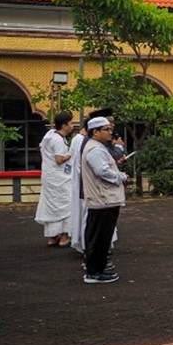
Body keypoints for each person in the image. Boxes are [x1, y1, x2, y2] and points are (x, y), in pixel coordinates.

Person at [80, 116, 128, 283]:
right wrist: (121, 177)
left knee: (98, 235)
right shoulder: (95, 149)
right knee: (100, 237)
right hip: (103, 199)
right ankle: (95, 272)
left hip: (101, 199)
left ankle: (96, 268)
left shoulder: (95, 147)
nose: (110, 132)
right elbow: (102, 171)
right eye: (106, 130)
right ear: (95, 132)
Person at [35, 112, 75, 247]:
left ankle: (53, 236)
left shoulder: (50, 135)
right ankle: (64, 235)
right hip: (60, 178)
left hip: (50, 177)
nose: (72, 126)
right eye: (70, 123)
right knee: (66, 204)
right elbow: (59, 159)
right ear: (64, 126)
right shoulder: (58, 140)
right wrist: (71, 153)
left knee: (52, 205)